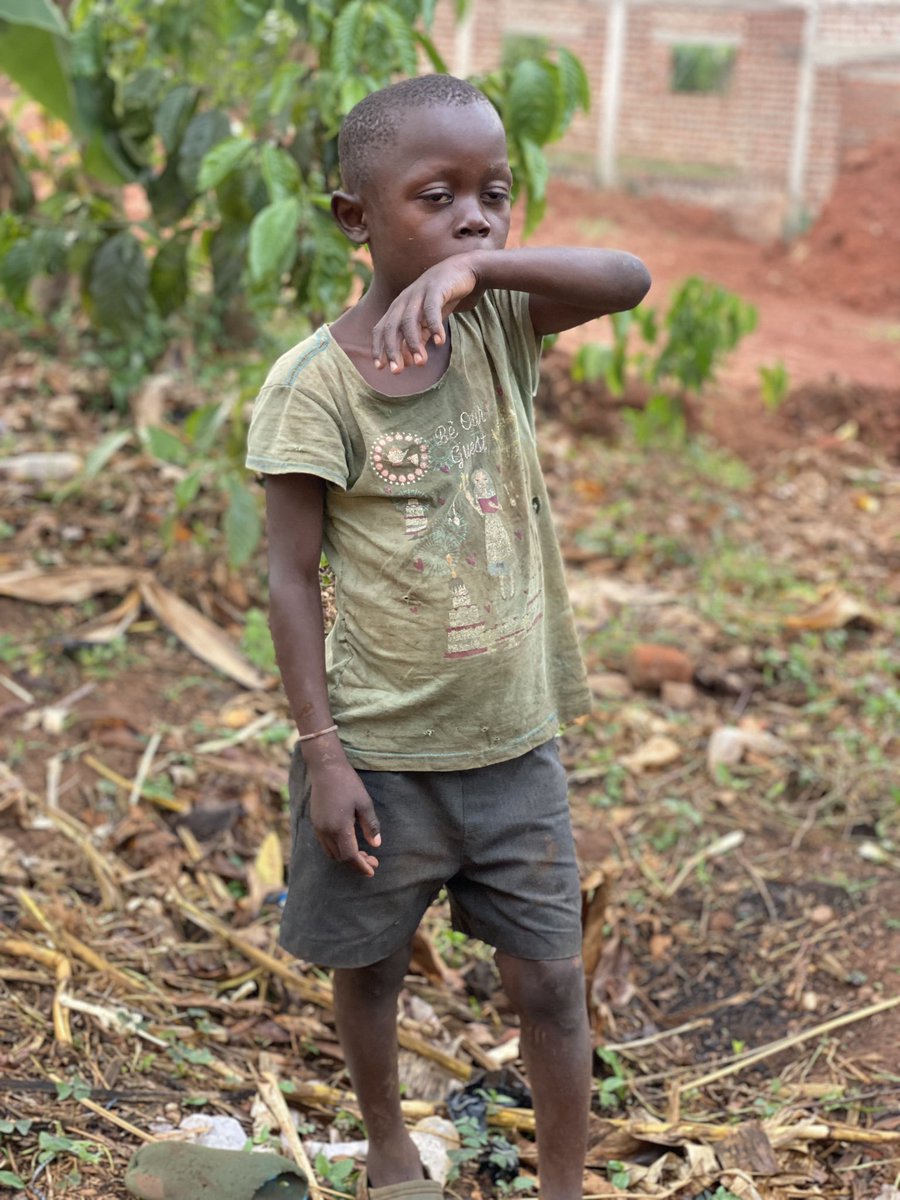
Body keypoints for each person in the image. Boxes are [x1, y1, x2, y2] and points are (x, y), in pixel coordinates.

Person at [246, 74, 650, 1200]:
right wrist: (324, 755)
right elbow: (288, 576)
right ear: (355, 218)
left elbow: (629, 278)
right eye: (438, 197)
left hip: (517, 745)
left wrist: (482, 270)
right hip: (379, 751)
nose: (476, 215)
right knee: (371, 968)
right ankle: (386, 1146)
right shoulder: (313, 388)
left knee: (551, 986)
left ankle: (562, 1184)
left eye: (496, 194)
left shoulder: (500, 323)